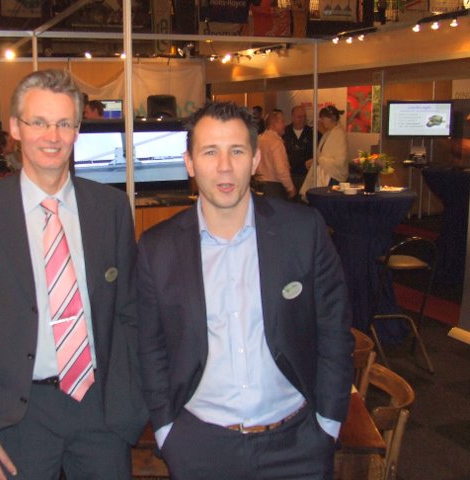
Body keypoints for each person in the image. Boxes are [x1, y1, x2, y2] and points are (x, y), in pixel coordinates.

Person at [0, 69, 147, 480]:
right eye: (39, 122)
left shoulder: (111, 208)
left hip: (100, 410)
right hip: (16, 415)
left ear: (77, 130)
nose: (53, 136)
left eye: (64, 123)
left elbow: (130, 312)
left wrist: (132, 399)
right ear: (16, 127)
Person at [136, 102, 353, 480]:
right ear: (189, 163)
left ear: (254, 160)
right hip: (198, 447)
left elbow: (334, 331)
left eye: (236, 151)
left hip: (298, 445)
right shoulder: (158, 248)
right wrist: (167, 430)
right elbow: (149, 347)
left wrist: (328, 425)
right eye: (210, 152)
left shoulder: (303, 231)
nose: (224, 166)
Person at [300, 105, 348, 200]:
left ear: (331, 118)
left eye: (323, 118)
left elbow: (340, 162)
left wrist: (319, 160)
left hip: (333, 179)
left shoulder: (339, 135)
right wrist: (314, 160)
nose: (321, 121)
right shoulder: (328, 133)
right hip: (325, 177)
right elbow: (323, 154)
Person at [254, 110, 295, 199]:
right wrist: (290, 187)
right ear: (273, 124)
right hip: (273, 188)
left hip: (258, 185)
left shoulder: (258, 139)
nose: (284, 125)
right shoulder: (276, 142)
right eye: (282, 121)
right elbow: (281, 169)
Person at [283, 105, 319, 193]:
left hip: (306, 176)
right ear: (292, 117)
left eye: (304, 117)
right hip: (289, 175)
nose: (302, 119)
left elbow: (318, 152)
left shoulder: (313, 133)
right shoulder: (284, 132)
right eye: (299, 117)